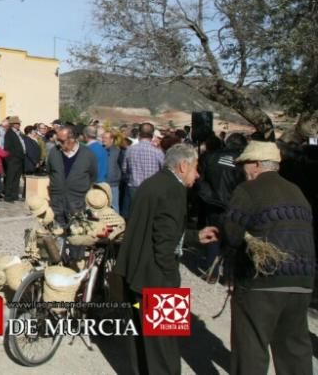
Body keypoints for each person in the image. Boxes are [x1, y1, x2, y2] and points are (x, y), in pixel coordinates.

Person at [198, 141, 313, 374]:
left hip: (261, 282)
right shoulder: (297, 191)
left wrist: (221, 229)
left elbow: (232, 234)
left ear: (257, 165)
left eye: (245, 165)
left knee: (251, 348)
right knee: (294, 350)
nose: (242, 170)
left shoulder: (248, 190)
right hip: (302, 283)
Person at [115, 144, 200, 375]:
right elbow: (164, 243)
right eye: (195, 168)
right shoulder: (174, 189)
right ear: (183, 166)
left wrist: (195, 237)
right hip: (156, 277)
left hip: (135, 273)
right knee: (164, 348)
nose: (197, 174)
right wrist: (172, 282)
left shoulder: (150, 183)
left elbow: (157, 227)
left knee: (143, 344)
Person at [46, 126, 98, 227]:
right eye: (57, 140)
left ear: (72, 139)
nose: (58, 143)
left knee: (76, 234)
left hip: (77, 202)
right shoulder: (54, 152)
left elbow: (93, 176)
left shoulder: (88, 154)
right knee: (57, 233)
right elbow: (50, 172)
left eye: (61, 140)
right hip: (57, 202)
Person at [120, 122, 163, 218]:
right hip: (152, 190)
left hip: (134, 188)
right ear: (152, 135)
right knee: (149, 217)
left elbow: (124, 169)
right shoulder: (158, 152)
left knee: (133, 218)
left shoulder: (130, 150)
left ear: (139, 134)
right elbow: (164, 171)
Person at [2, 116, 26, 202]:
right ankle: (8, 196)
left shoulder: (19, 133)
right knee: (10, 178)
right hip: (13, 159)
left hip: (19, 159)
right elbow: (8, 147)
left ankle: (14, 195)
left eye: (19, 123)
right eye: (17, 123)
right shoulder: (9, 133)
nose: (19, 125)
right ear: (13, 124)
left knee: (16, 178)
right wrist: (12, 157)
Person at [101, 130, 123, 212]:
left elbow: (122, 166)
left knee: (114, 207)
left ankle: (117, 223)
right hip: (101, 183)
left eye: (106, 138)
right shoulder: (100, 150)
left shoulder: (118, 151)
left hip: (113, 184)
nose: (103, 140)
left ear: (112, 139)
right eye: (102, 137)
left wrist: (117, 177)